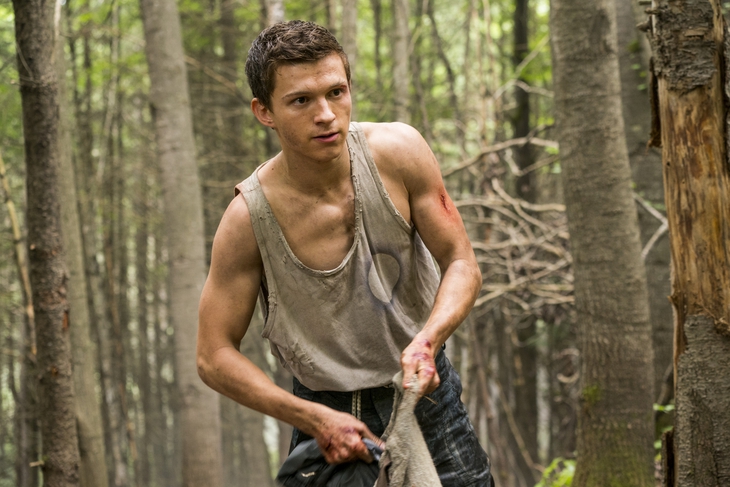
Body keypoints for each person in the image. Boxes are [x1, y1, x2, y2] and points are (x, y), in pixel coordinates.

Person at [197, 20, 493, 486]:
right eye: (301, 100)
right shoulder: (247, 219)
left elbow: (462, 262)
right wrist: (309, 417)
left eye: (336, 92)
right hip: (323, 415)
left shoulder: (400, 153)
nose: (326, 115)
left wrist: (428, 339)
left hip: (425, 394)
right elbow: (212, 354)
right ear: (264, 111)